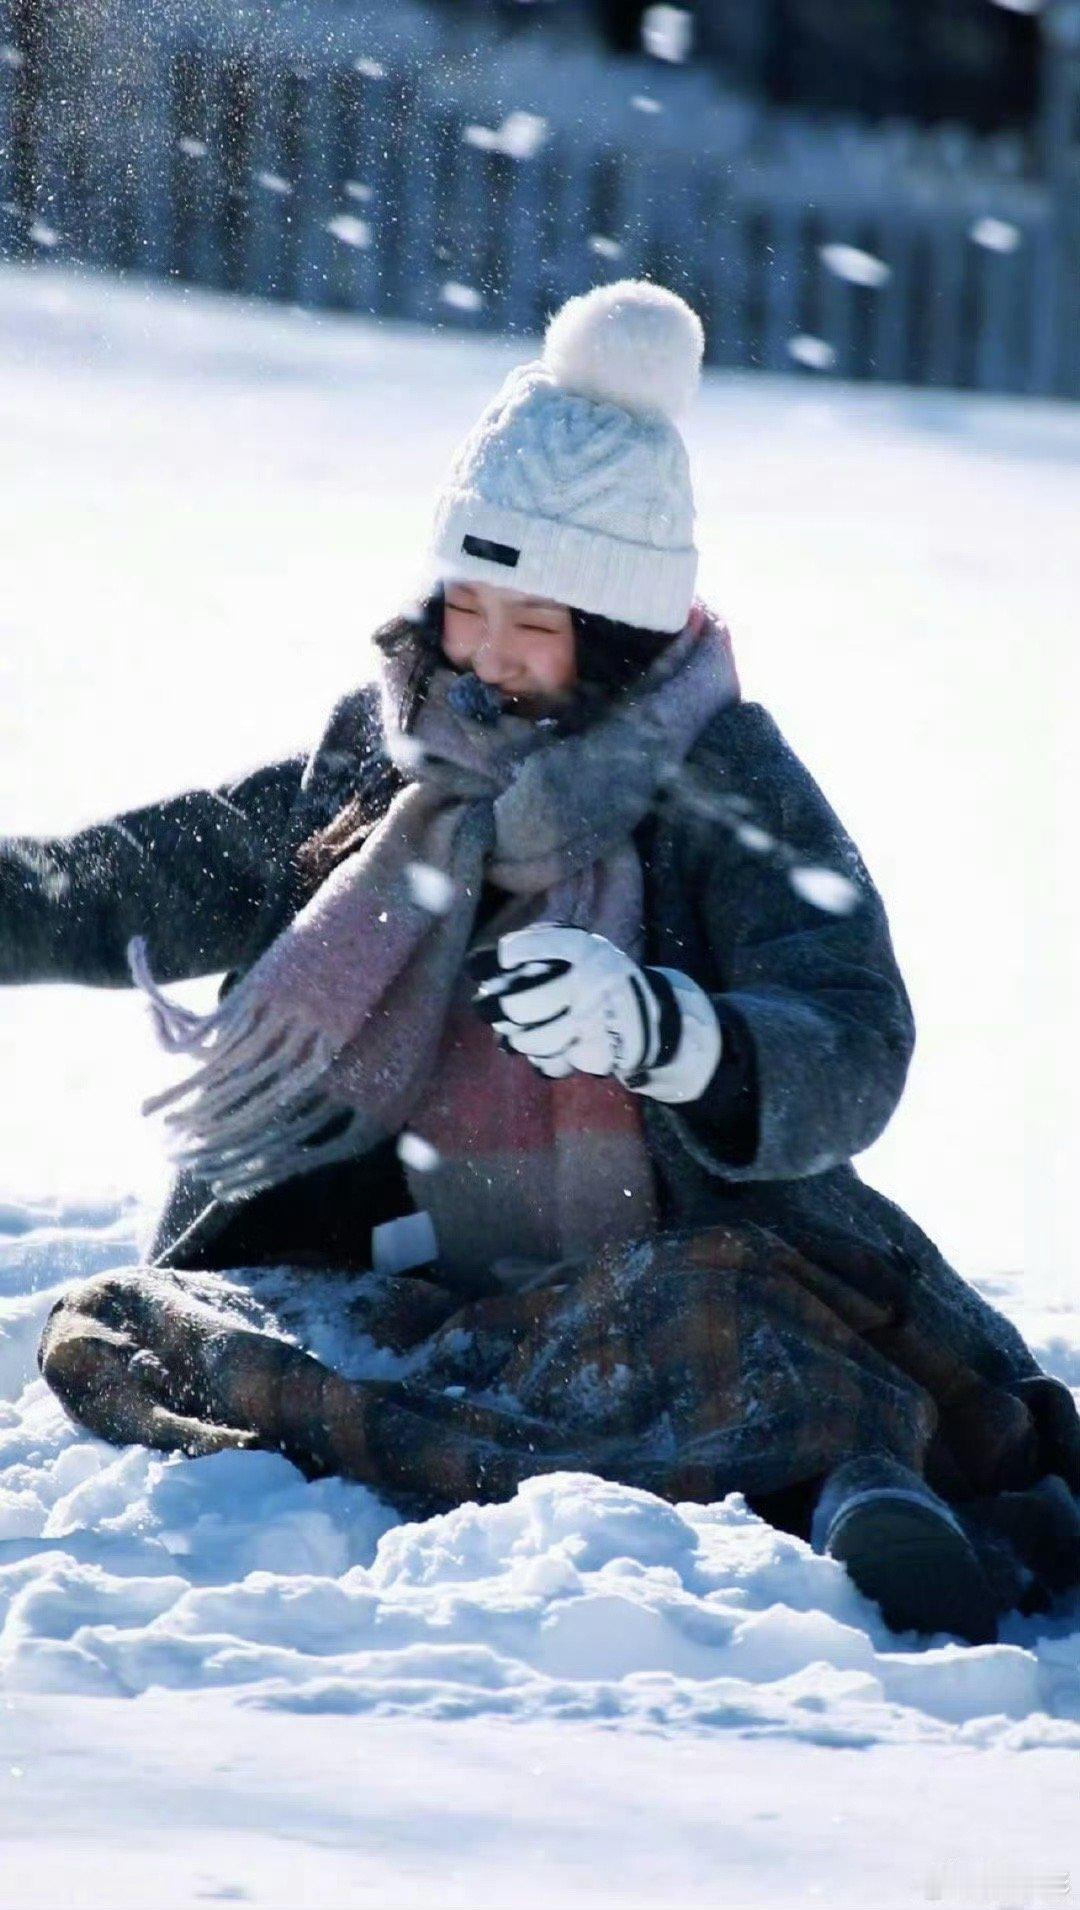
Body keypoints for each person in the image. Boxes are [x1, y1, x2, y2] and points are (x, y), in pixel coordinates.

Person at [6, 280, 1078, 1646]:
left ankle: (862, 1495)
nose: (490, 656)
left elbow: (854, 1030)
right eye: (470, 601)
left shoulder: (723, 785)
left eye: (539, 620)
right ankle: (757, 1457)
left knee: (735, 1324)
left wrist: (665, 1033)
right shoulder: (383, 759)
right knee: (147, 1323)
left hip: (661, 1264)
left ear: (618, 634)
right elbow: (157, 871)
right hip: (407, 1278)